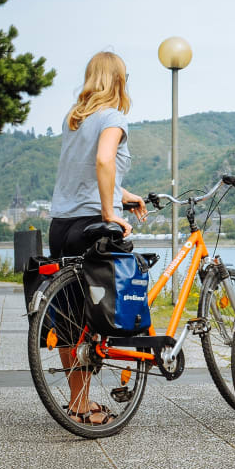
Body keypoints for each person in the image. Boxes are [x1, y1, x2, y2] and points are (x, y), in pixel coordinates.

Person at [48, 51, 148, 425]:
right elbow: (104, 161)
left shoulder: (75, 119)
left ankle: (79, 402)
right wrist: (110, 212)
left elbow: (87, 173)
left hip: (62, 224)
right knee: (100, 312)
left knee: (70, 317)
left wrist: (124, 194)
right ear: (119, 80)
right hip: (91, 223)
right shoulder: (113, 117)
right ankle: (85, 401)